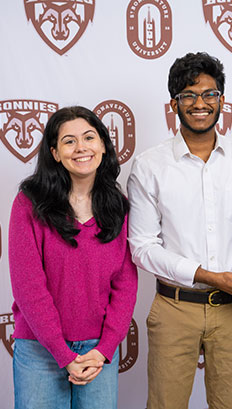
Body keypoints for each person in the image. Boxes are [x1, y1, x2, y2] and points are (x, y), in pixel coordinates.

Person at [127, 52, 232, 409]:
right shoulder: (148, 166)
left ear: (222, 100)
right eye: (189, 95)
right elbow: (142, 247)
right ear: (174, 103)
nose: (200, 103)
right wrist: (205, 275)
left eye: (209, 94)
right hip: (175, 309)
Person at [9, 106, 138, 409]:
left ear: (103, 146)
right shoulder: (29, 203)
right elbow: (29, 287)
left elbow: (125, 284)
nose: (81, 148)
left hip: (97, 353)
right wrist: (62, 353)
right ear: (54, 152)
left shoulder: (118, 206)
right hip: (40, 350)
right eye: (69, 141)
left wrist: (105, 349)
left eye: (89, 138)